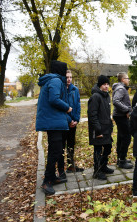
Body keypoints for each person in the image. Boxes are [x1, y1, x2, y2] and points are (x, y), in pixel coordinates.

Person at [36, 60, 72, 195]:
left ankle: (51, 177)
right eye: (65, 70)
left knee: (54, 150)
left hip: (53, 121)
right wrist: (67, 108)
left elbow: (54, 107)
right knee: (55, 151)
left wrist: (69, 119)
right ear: (61, 70)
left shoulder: (53, 80)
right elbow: (54, 100)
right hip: (52, 123)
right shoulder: (56, 81)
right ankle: (47, 182)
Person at [88, 75, 114, 180]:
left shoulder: (107, 96)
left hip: (106, 127)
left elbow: (107, 114)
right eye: (104, 84)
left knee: (108, 148)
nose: (106, 86)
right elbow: (92, 115)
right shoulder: (95, 97)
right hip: (98, 129)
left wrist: (110, 125)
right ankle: (97, 171)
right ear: (100, 85)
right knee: (98, 150)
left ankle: (103, 166)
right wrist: (98, 129)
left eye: (108, 84)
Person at [58, 70, 84, 175]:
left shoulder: (75, 90)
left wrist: (76, 120)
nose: (69, 79)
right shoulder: (61, 89)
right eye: (67, 77)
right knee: (62, 146)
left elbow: (78, 106)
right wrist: (68, 120)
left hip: (73, 123)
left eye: (70, 77)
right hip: (64, 123)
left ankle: (70, 165)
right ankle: (61, 169)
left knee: (71, 144)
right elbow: (61, 107)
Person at [112, 72, 133, 169]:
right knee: (126, 137)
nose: (128, 80)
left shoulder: (120, 88)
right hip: (121, 116)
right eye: (127, 78)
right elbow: (116, 101)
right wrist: (127, 109)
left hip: (119, 115)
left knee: (121, 137)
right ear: (123, 79)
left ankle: (120, 158)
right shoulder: (121, 88)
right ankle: (122, 161)